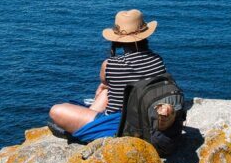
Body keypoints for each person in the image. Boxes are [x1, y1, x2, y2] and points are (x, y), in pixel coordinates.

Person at [49, 9, 177, 141]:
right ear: (145, 35)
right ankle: (87, 121)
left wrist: (104, 86)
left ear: (118, 40)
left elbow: (104, 81)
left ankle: (85, 128)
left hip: (120, 125)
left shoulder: (110, 64)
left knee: (55, 110)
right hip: (147, 118)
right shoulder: (157, 59)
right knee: (106, 91)